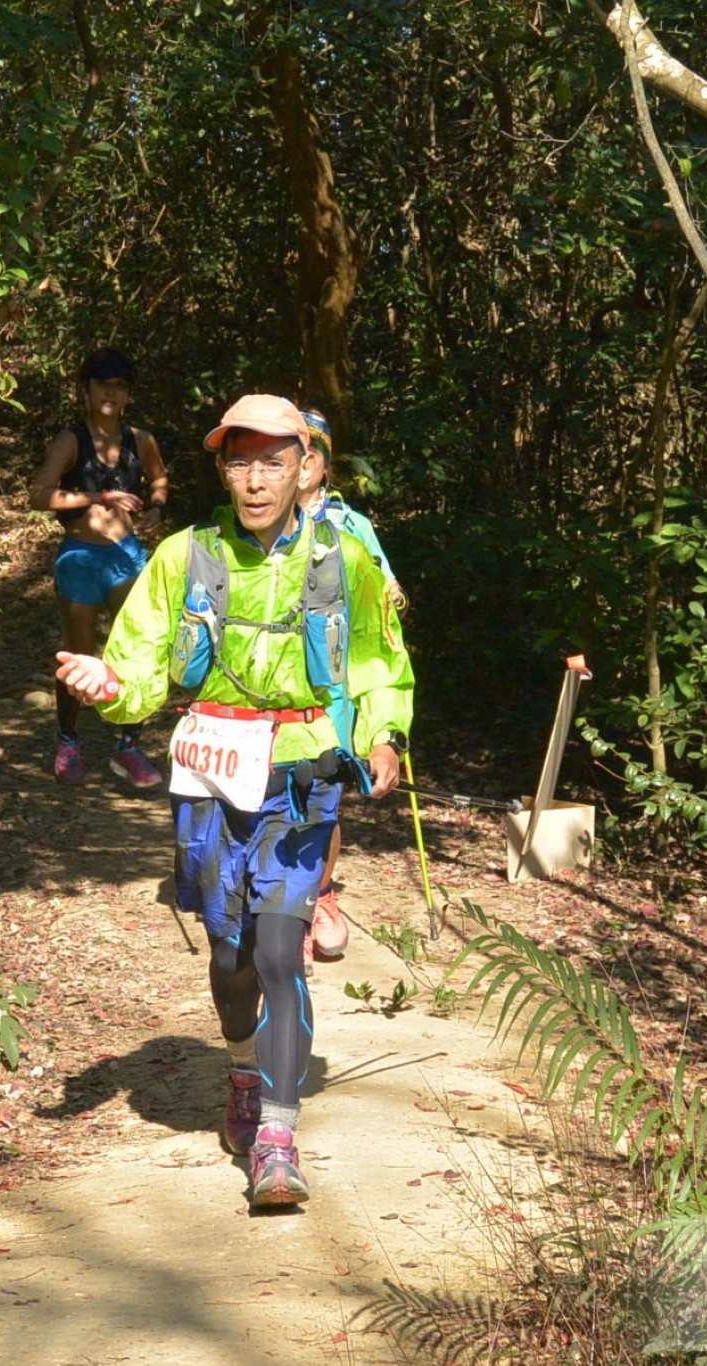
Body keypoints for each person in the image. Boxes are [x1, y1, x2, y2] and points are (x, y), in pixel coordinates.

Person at [55, 394, 414, 1208]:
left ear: (304, 467)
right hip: (212, 777)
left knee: (281, 950)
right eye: (240, 462)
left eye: (272, 463)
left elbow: (379, 664)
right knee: (232, 956)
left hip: (302, 772)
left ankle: (277, 1143)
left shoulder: (344, 560)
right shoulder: (185, 557)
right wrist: (108, 685)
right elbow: (140, 662)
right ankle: (243, 1069)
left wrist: (384, 736)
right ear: (223, 471)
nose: (256, 481)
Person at [28, 347, 169, 788]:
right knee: (79, 654)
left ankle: (128, 746)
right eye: (102, 384)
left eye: (119, 386)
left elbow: (159, 477)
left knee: (138, 650)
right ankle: (68, 740)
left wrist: (157, 507)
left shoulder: (139, 439)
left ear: (129, 393)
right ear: (86, 389)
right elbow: (39, 495)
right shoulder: (72, 440)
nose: (111, 393)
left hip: (127, 556)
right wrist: (98, 497)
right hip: (80, 558)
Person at [296, 409, 407, 965]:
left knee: (324, 796)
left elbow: (384, 590)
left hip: (335, 679)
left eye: (313, 452)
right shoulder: (254, 524)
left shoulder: (351, 524)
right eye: (294, 450)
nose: (303, 462)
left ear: (325, 464)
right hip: (274, 681)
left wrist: (389, 596)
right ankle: (277, 908)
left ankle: (318, 894)